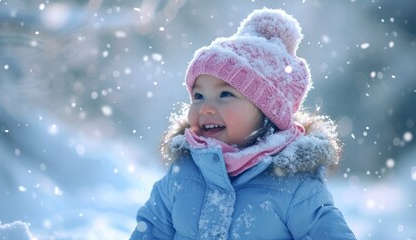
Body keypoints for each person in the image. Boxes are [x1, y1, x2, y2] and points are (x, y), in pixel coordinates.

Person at [130, 8, 356, 240]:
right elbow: (151, 231)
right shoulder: (182, 175)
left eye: (225, 94)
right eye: (198, 96)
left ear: (267, 111)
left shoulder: (294, 185)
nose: (206, 107)